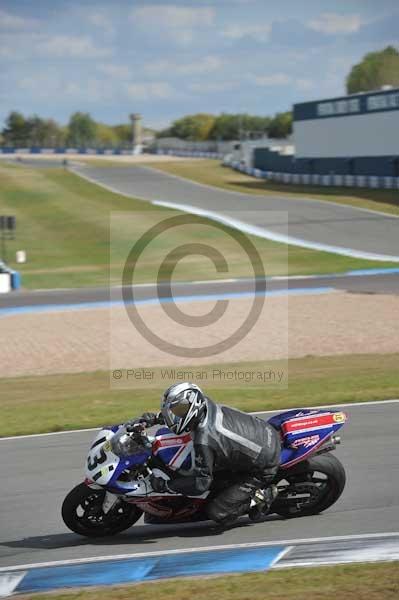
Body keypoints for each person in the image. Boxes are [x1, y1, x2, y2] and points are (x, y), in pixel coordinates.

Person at [128, 382, 280, 525]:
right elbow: (183, 414)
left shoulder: (204, 439)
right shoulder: (205, 405)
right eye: (171, 411)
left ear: (193, 406)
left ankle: (262, 496)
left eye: (177, 411)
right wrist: (155, 419)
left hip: (263, 466)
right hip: (262, 432)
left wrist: (165, 485)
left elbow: (201, 484)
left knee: (218, 512)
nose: (174, 415)